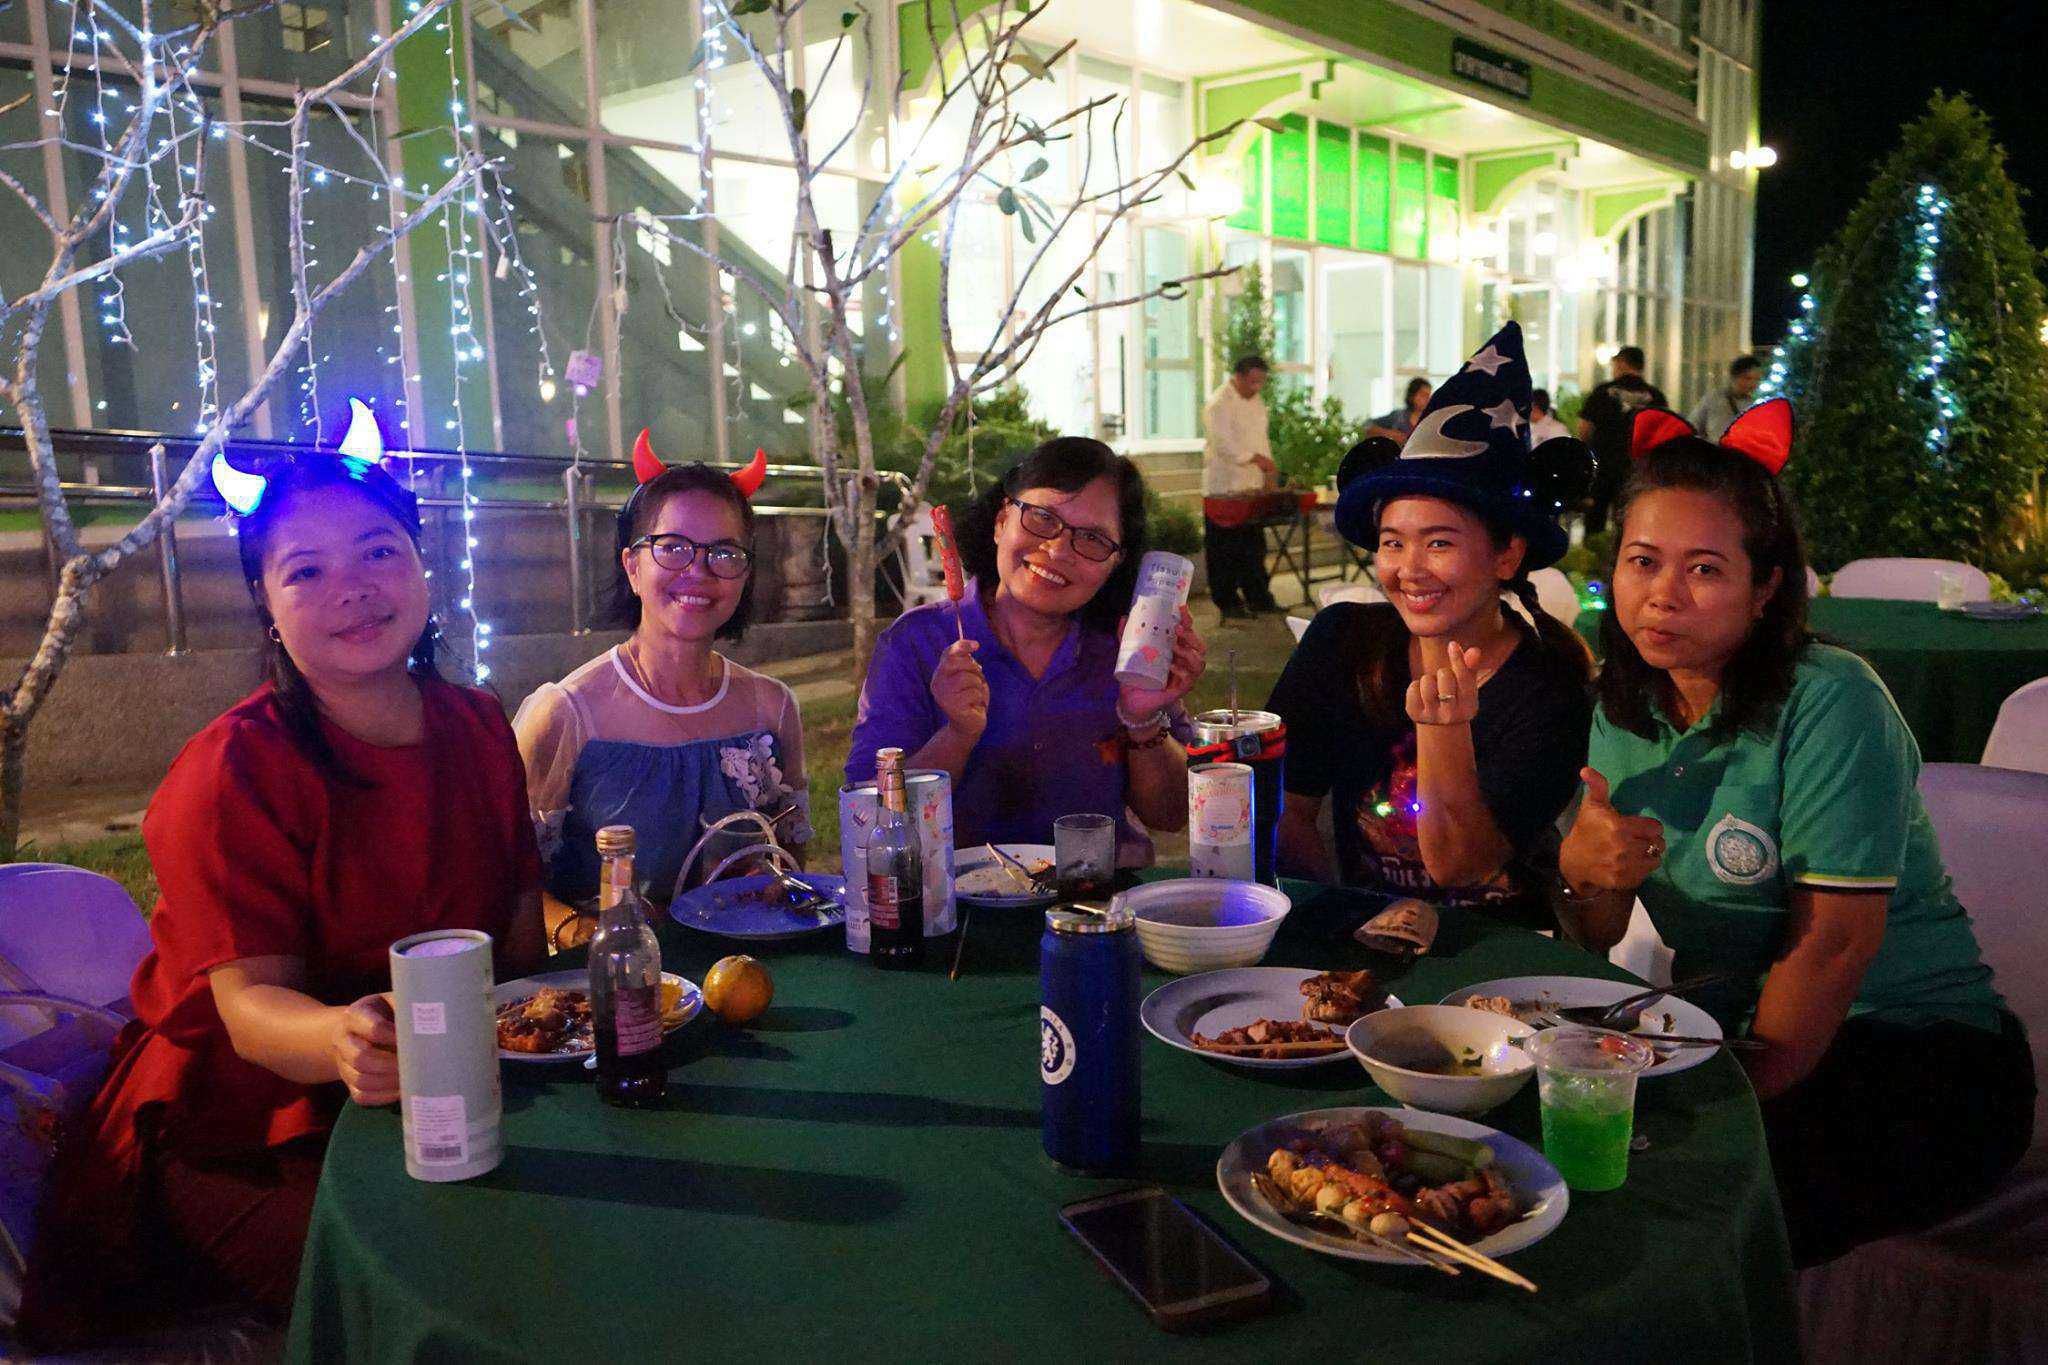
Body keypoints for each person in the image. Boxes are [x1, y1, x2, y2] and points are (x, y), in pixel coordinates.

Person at [20, 449, 545, 1346]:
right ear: (265, 601)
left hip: (449, 1082)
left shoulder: (479, 724)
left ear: (421, 564)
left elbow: (520, 939)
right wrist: (344, 1037)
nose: (354, 588)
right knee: (439, 1279)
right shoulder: (234, 769)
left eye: (379, 551)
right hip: (246, 1125)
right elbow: (252, 1013)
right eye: (306, 571)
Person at [1554, 400, 2032, 1267]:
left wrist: (1726, 1103)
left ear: (1766, 586)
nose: (1662, 594)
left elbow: (1834, 946)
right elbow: (1595, 931)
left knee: (1674, 1211)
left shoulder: (1831, 699)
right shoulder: (1625, 704)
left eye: (1704, 568)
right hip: (1722, 1032)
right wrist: (1586, 875)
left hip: (1917, 1055)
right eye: (1642, 560)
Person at [1268, 322, 1595, 920]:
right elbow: (1285, 812)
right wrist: (1336, 925)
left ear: (1507, 555)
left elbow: (1462, 864)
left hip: (1503, 954)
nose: (1409, 571)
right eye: (1392, 543)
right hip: (1361, 943)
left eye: (1439, 543)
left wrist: (1444, 728)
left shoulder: (1551, 685)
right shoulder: (1342, 641)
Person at [847, 437, 1206, 863]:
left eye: (1092, 538)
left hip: (1094, 895)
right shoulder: (916, 643)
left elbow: (1170, 815)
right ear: (1002, 520)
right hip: (957, 896)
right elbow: (868, 818)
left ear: (1117, 562)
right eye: (1042, 517)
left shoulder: (1126, 649)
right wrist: (957, 736)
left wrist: (1142, 718)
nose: (1057, 549)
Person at [515, 436, 808, 932]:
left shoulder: (772, 708)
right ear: (632, 566)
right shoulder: (567, 713)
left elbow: (793, 862)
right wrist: (587, 933)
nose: (698, 571)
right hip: (613, 975)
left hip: (748, 965)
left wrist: (770, 879)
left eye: (724, 552)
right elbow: (508, 884)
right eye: (672, 548)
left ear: (744, 574)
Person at [1200, 355, 1281, 618]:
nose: (1257, 387)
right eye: (1253, 381)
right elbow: (1223, 444)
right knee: (1224, 550)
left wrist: (1268, 470)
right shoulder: (1218, 403)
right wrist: (1255, 459)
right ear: (1238, 376)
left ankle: (1258, 597)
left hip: (1251, 486)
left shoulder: (1257, 402)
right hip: (1224, 486)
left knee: (1253, 548)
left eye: (1261, 381)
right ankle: (1228, 602)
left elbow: (1261, 439)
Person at [1576, 345, 1667, 533]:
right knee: (1629, 520)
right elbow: (1663, 434)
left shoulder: (1603, 392)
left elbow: (1584, 429)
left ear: (1622, 363)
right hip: (1638, 468)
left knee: (1595, 518)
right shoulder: (1656, 397)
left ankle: (1594, 549)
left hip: (1603, 465)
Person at [1687, 354, 1763, 440]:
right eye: (1747, 378)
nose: (1753, 384)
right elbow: (1692, 426)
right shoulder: (1713, 399)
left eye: (1757, 379)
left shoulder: (1753, 406)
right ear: (1733, 377)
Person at [1366, 377, 1434, 442]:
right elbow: (1367, 425)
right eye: (1424, 395)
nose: (1428, 399)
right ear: (1412, 396)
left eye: (1429, 395)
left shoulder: (1432, 419)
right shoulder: (1398, 416)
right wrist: (1390, 434)